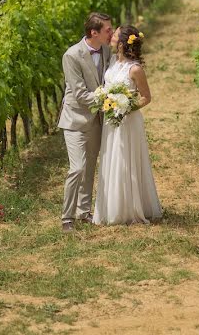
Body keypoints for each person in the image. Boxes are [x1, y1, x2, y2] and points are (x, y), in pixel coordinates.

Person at [93, 25, 162, 226]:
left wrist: (125, 106)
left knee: (126, 161)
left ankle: (129, 209)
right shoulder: (112, 61)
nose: (111, 36)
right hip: (111, 121)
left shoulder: (135, 69)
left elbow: (146, 97)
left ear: (122, 43)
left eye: (114, 34)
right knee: (112, 159)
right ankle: (112, 207)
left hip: (128, 121)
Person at [57, 12, 113, 233]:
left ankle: (83, 211)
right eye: (108, 30)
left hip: (97, 119)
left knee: (90, 167)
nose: (111, 33)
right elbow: (80, 95)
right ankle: (67, 217)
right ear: (94, 32)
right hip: (76, 120)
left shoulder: (107, 51)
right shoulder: (72, 55)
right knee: (77, 168)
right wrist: (110, 100)